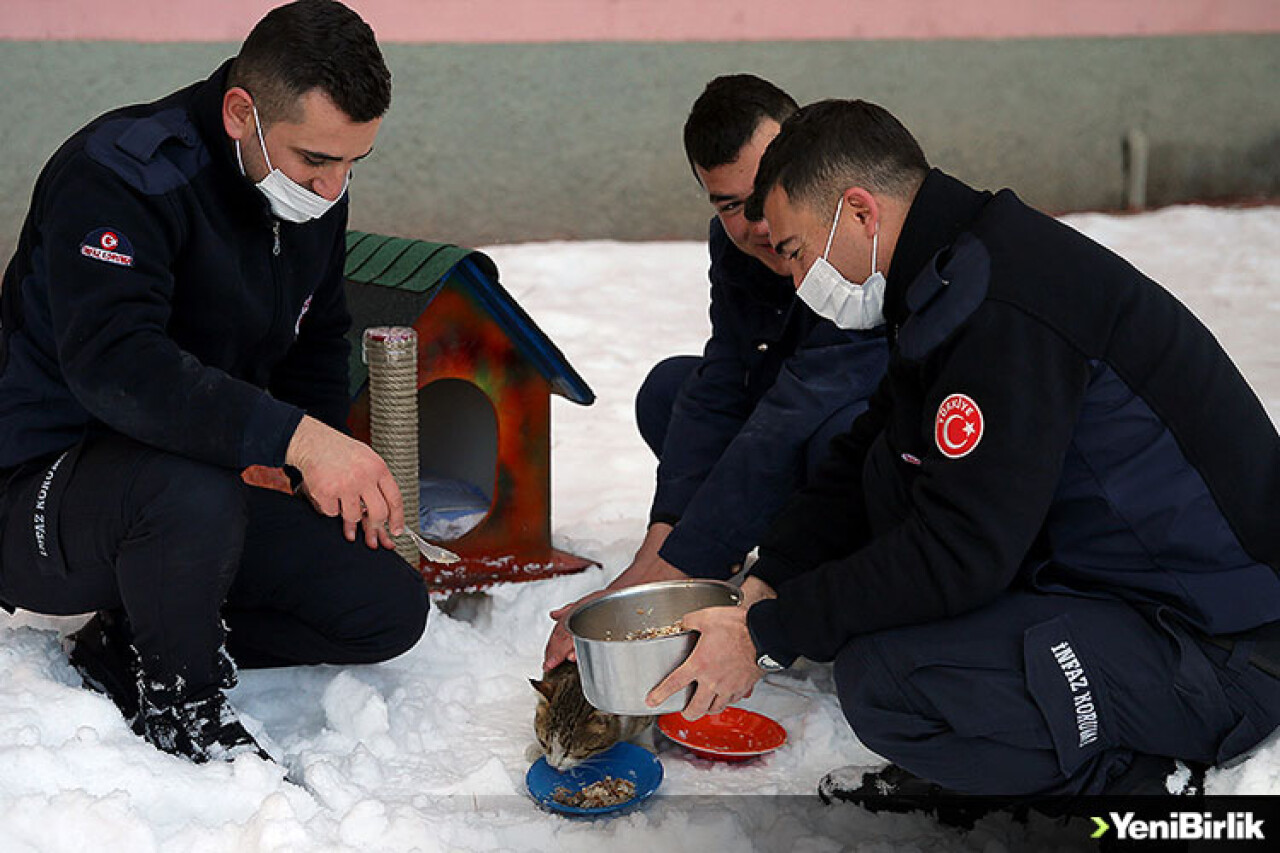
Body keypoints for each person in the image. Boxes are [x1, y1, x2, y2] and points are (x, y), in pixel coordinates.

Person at [647, 99, 1280, 809]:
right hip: (1127, 590)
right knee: (890, 497)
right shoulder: (955, 273)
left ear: (859, 213)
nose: (796, 282)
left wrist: (765, 632)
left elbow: (961, 551)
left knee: (888, 679)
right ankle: (1014, 756)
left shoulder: (1007, 308)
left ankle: (1147, 790)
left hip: (1221, 648)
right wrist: (773, 577)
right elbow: (874, 450)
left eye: (795, 252)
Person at [0, 0, 429, 763]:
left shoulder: (305, 192)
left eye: (352, 163)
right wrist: (294, 438)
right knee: (183, 490)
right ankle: (179, 706)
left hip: (193, 490)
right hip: (41, 489)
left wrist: (310, 468)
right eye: (316, 161)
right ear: (241, 113)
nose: (333, 189)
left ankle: (130, 639)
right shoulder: (118, 174)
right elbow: (117, 367)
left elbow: (316, 338)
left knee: (384, 607)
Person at [543, 76, 888, 672]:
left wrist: (676, 566)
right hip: (794, 420)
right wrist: (658, 554)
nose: (757, 224)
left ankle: (815, 585)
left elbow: (797, 410)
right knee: (671, 391)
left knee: (837, 436)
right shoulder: (737, 247)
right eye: (729, 205)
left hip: (881, 452)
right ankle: (731, 553)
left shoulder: (854, 236)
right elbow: (725, 376)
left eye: (765, 194)